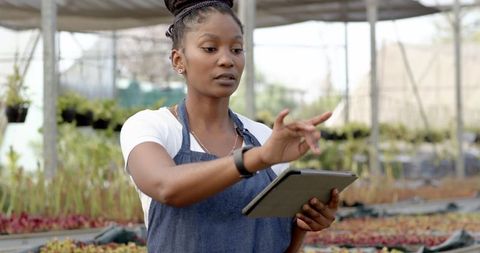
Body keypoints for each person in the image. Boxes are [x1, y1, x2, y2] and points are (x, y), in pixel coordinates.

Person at [120, 0, 338, 252]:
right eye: (210, 48)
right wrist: (257, 158)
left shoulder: (263, 136)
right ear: (179, 60)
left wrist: (303, 225)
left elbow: (280, 246)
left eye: (236, 49)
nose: (227, 60)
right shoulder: (151, 127)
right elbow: (166, 186)